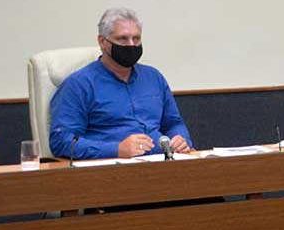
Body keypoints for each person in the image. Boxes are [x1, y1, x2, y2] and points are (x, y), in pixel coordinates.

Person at [49, 8, 194, 159]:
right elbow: (61, 141)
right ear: (102, 42)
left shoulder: (154, 77)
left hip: (161, 164)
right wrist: (116, 149)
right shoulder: (79, 85)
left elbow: (173, 123)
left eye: (136, 39)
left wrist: (181, 139)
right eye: (123, 39)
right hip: (111, 170)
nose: (131, 45)